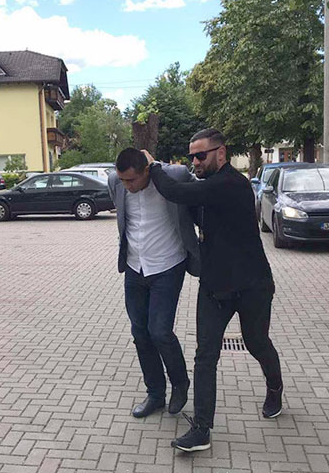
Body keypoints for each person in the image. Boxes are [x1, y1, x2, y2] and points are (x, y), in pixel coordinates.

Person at [143, 128, 283, 453]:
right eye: (191, 156)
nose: (195, 161)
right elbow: (189, 208)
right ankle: (202, 429)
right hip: (214, 287)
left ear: (221, 153)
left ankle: (275, 388)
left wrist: (153, 167)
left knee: (256, 342)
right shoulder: (206, 187)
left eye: (201, 155)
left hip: (252, 286)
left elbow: (175, 192)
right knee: (205, 356)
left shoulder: (232, 184)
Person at [108, 147, 200, 418]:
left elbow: (202, 197)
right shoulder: (115, 182)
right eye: (123, 180)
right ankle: (155, 394)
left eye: (132, 180)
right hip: (134, 267)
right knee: (140, 333)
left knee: (159, 331)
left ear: (146, 170)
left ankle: (180, 383)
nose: (127, 186)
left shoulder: (176, 175)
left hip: (168, 265)